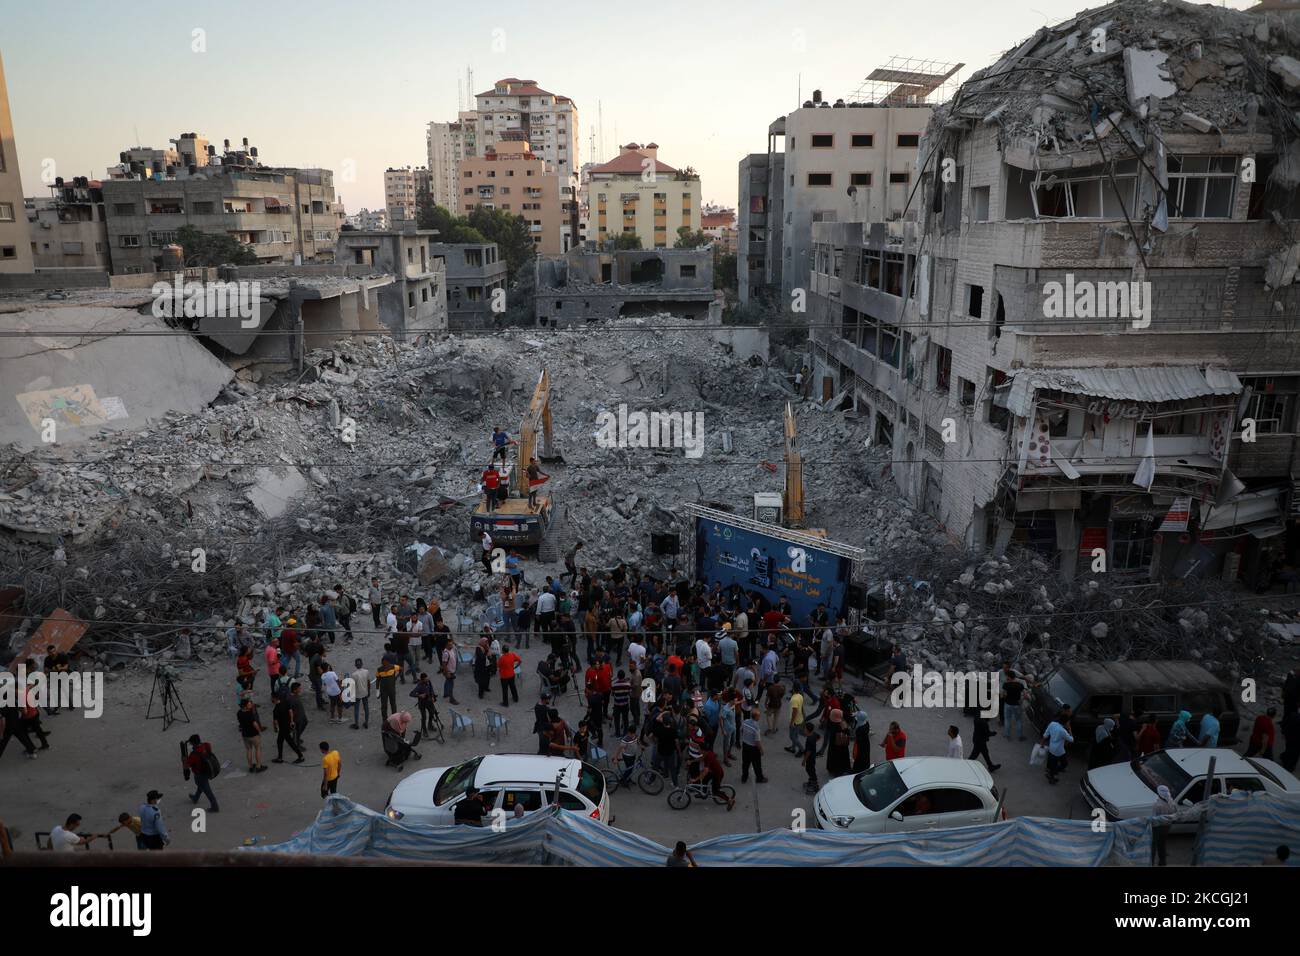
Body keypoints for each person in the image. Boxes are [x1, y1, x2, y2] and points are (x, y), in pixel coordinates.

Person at [183, 735, 220, 812]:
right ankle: (195, 798)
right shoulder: (206, 745)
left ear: (193, 743)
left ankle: (215, 806)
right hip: (207, 770)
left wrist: (184, 760)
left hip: (199, 774)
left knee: (207, 790)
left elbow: (187, 766)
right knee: (201, 785)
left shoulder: (194, 754)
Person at [272, 687, 304, 763]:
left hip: (283, 728)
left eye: (272, 698)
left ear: (275, 698)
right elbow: (290, 711)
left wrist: (275, 728)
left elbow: (275, 721)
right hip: (288, 725)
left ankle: (300, 756)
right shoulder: (285, 702)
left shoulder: (276, 709)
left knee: (289, 742)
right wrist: (292, 721)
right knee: (280, 741)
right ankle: (280, 757)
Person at [237, 698, 267, 773]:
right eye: (249, 704)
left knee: (249, 750)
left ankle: (250, 766)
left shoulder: (239, 713)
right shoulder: (249, 713)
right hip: (253, 734)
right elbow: (255, 724)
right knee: (258, 749)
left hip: (245, 735)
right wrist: (259, 730)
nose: (251, 705)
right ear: (245, 706)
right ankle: (258, 766)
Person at [1042, 714, 1074, 785]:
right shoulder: (1063, 731)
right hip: (1059, 750)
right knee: (1064, 764)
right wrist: (1069, 729)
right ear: (1066, 722)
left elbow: (1045, 734)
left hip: (1051, 748)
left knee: (1052, 763)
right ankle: (1052, 776)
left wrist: (1042, 744)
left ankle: (1051, 773)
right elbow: (1071, 739)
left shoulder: (1052, 724)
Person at [1152, 784, 1178, 866]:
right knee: (1162, 844)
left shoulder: (1157, 805)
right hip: (1167, 826)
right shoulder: (1172, 802)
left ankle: (1151, 862)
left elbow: (1154, 819)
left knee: (1153, 846)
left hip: (1158, 827)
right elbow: (1175, 814)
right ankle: (1162, 862)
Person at [740, 706, 767, 783]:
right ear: (756, 717)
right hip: (753, 748)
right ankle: (759, 778)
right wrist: (761, 750)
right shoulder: (756, 727)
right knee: (757, 764)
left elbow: (741, 730)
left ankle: (744, 777)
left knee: (745, 763)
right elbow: (757, 741)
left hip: (745, 745)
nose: (759, 717)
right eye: (759, 716)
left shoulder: (745, 722)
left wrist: (745, 738)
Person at [826, 709, 851, 778]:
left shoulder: (831, 723)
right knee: (841, 757)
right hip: (842, 746)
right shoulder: (842, 724)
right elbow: (848, 733)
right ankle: (841, 770)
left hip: (833, 745)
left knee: (833, 757)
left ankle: (833, 769)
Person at [376, 650, 400, 721]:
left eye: (384, 662)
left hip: (391, 690)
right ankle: (385, 720)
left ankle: (394, 719)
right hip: (383, 691)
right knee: (384, 706)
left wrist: (396, 677)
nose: (383, 663)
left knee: (393, 704)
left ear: (387, 662)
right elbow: (378, 680)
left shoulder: (393, 667)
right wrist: (377, 691)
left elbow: (401, 668)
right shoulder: (379, 669)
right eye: (382, 662)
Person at [348, 658, 372, 730]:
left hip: (357, 694)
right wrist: (369, 691)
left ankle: (356, 724)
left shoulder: (354, 674)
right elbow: (368, 682)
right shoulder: (366, 671)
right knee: (366, 708)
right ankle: (366, 723)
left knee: (356, 709)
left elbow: (352, 686)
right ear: (362, 664)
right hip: (365, 692)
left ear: (355, 665)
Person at [440, 639, 460, 705]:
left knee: (447, 682)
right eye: (449, 644)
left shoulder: (451, 649)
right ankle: (451, 699)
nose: (451, 645)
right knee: (451, 685)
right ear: (446, 645)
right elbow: (444, 664)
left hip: (452, 670)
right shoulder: (446, 653)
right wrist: (447, 673)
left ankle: (445, 694)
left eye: (451, 644)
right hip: (449, 672)